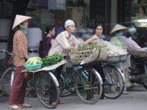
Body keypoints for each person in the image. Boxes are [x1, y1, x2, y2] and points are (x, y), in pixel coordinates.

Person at [48, 19, 79, 105]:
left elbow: (78, 43)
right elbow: (66, 46)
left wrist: (79, 46)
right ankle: (52, 100)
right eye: (71, 26)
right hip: (54, 58)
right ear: (67, 28)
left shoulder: (72, 37)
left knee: (57, 79)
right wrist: (73, 47)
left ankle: (56, 99)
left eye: (74, 26)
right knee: (54, 79)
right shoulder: (62, 35)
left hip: (61, 59)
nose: (73, 28)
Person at [9, 15, 32, 110]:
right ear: (21, 24)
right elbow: (21, 49)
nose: (27, 23)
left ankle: (20, 102)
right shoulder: (19, 33)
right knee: (18, 83)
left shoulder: (22, 33)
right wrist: (29, 58)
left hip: (24, 61)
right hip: (20, 61)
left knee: (23, 83)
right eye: (26, 22)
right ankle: (12, 103)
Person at [84, 23, 106, 99]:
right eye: (98, 29)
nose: (99, 31)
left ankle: (101, 94)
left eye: (100, 29)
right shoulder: (93, 38)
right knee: (91, 79)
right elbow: (84, 44)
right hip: (93, 61)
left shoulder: (100, 39)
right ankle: (89, 95)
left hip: (98, 61)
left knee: (102, 77)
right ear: (95, 30)